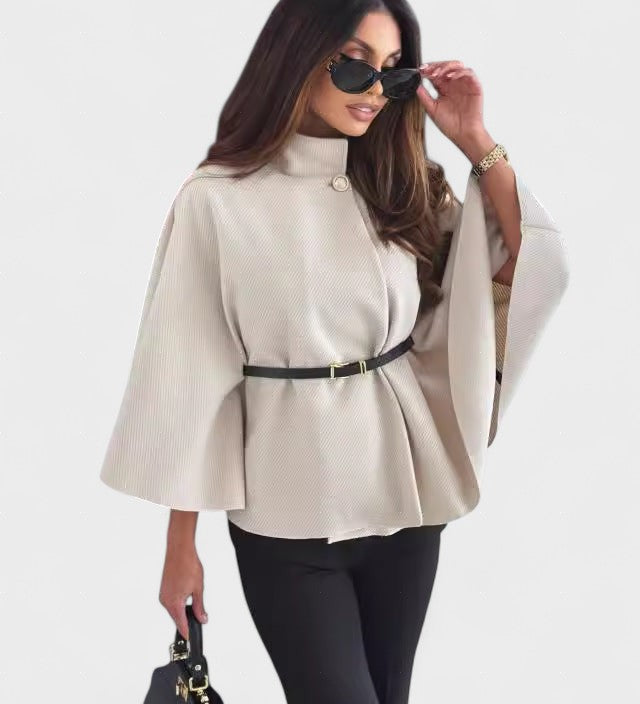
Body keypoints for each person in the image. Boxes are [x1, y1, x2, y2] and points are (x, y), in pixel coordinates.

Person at [99, 1, 569, 702]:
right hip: (287, 514)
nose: (374, 89)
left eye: (392, 72)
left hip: (403, 502)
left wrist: (475, 140)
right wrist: (180, 547)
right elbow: (190, 374)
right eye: (354, 65)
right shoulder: (217, 201)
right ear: (297, 56)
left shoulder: (399, 184)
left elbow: (524, 259)